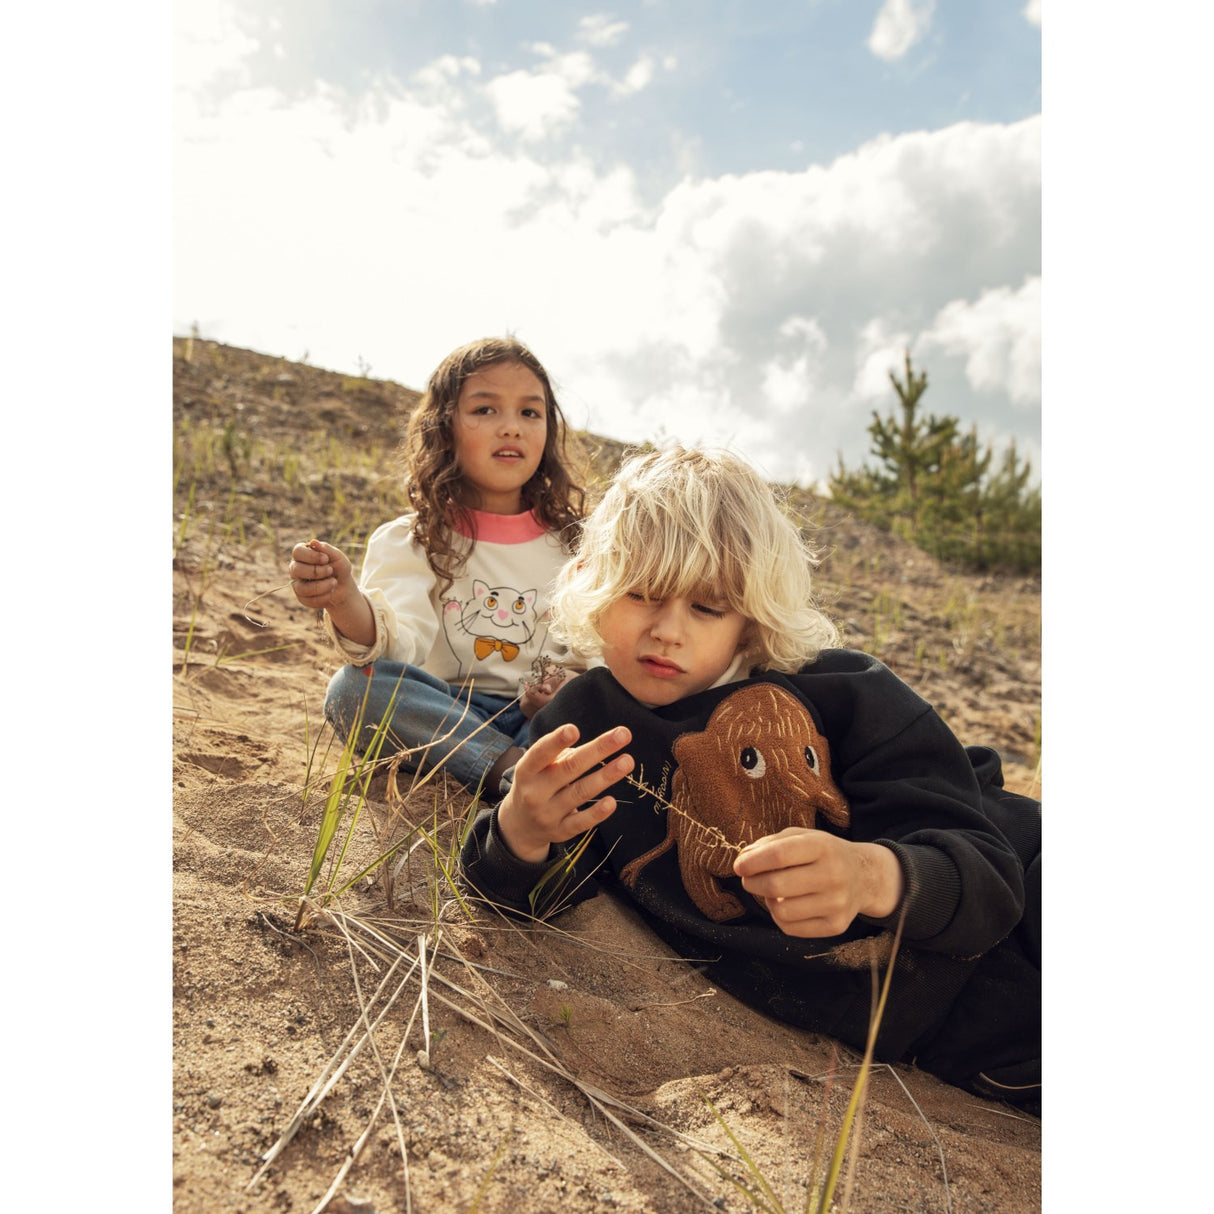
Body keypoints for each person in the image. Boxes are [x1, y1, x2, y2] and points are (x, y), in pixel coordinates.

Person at [460, 446, 1041, 1109]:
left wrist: (871, 877)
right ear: (595, 587)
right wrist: (520, 831)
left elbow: (992, 874)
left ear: (749, 624)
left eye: (707, 608)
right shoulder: (581, 724)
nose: (667, 630)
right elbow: (521, 892)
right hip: (960, 1036)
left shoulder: (843, 689)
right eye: (642, 593)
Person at [288, 336, 587, 795]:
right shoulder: (413, 540)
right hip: (447, 717)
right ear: (444, 426)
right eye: (485, 410)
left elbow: (597, 649)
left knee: (606, 706)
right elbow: (395, 645)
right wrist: (344, 599)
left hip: (542, 723)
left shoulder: (576, 545)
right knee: (352, 691)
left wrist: (569, 683)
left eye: (530, 412)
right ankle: (510, 775)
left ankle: (525, 771)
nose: (511, 427)